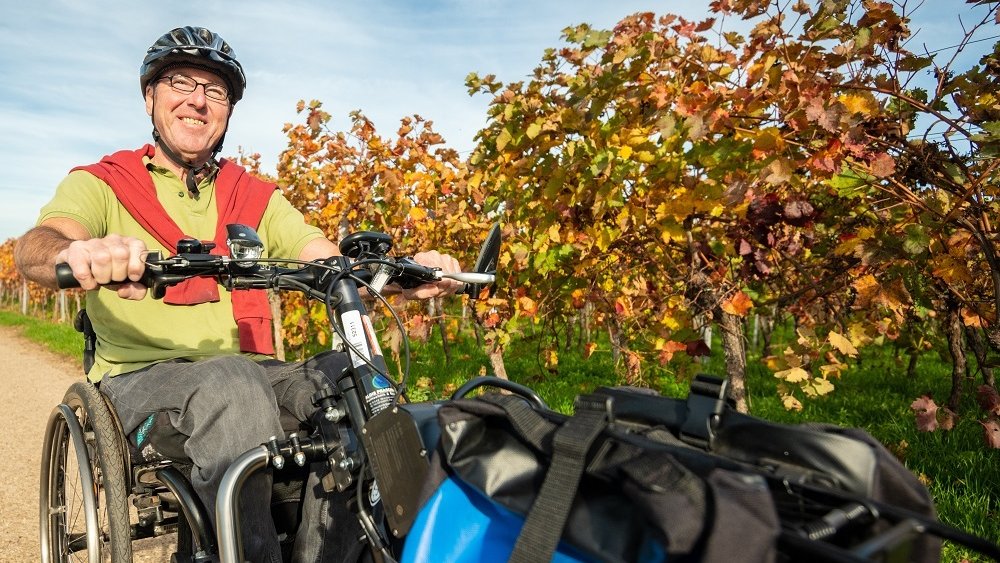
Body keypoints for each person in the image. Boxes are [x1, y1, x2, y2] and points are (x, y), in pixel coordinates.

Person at [14, 26, 460, 563]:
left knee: (355, 381)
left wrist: (401, 275)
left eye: (216, 91)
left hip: (255, 373)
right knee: (233, 380)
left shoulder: (255, 198)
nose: (198, 100)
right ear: (150, 96)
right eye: (181, 81)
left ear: (228, 111)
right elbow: (37, 246)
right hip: (140, 379)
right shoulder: (104, 183)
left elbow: (319, 254)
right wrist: (76, 255)